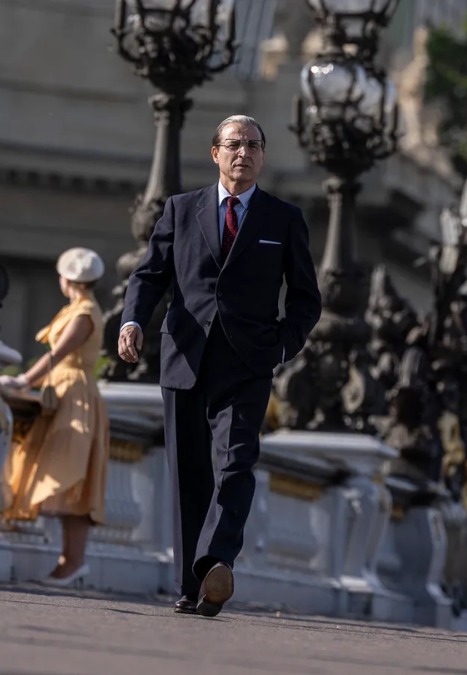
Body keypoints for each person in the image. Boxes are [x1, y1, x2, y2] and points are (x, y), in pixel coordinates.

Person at [117, 114, 321, 618]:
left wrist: (279, 348)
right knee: (187, 473)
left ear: (263, 156)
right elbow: (150, 275)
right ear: (215, 153)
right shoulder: (181, 210)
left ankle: (215, 563)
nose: (243, 153)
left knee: (235, 462)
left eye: (253, 145)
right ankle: (192, 587)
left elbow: (306, 299)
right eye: (234, 145)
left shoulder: (283, 218)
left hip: (248, 361)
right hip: (184, 354)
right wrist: (132, 322)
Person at [0, 247, 110, 587]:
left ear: (66, 279)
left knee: (72, 474)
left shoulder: (84, 313)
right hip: (64, 395)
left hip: (75, 397)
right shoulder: (78, 309)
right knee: (65, 473)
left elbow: (58, 355)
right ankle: (70, 561)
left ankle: (73, 561)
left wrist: (22, 381)